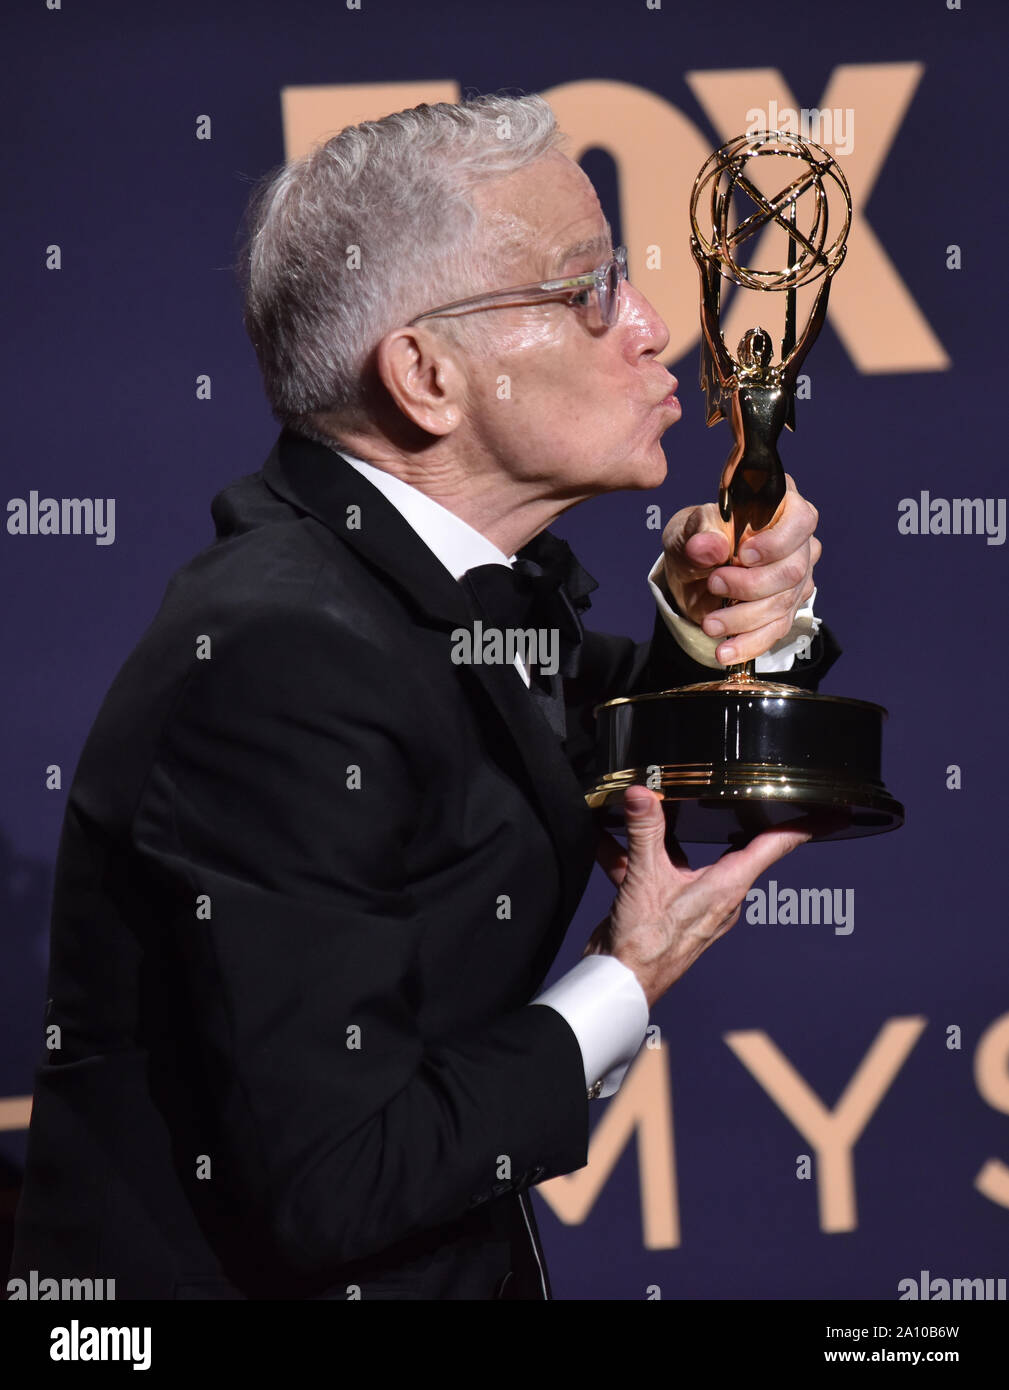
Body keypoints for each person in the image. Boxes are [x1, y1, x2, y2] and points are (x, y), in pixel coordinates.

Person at [10, 94, 835, 1300]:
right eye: (588, 290)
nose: (652, 328)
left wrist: (737, 620)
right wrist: (628, 972)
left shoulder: (419, 596)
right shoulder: (281, 655)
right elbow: (339, 1180)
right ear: (426, 375)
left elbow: (636, 735)